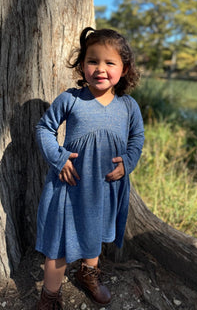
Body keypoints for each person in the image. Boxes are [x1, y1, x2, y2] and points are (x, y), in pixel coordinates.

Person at [35, 27, 144, 309]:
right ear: (82, 65)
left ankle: (88, 274)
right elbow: (45, 129)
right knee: (58, 243)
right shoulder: (70, 99)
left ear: (125, 68)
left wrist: (128, 162)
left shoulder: (129, 106)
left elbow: (137, 138)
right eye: (93, 61)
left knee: (94, 234)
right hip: (70, 188)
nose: (100, 69)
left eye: (110, 63)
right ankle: (50, 294)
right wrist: (59, 158)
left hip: (105, 188)